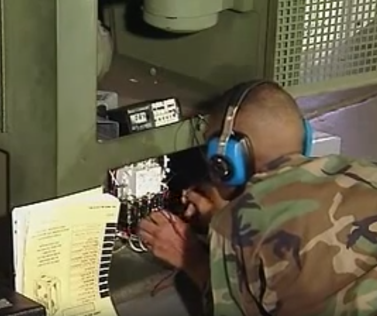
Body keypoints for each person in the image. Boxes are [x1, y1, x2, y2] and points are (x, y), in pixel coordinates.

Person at [138, 79, 377, 316]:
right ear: (305, 136)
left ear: (226, 157)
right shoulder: (366, 171)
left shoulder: (235, 224)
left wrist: (191, 257)